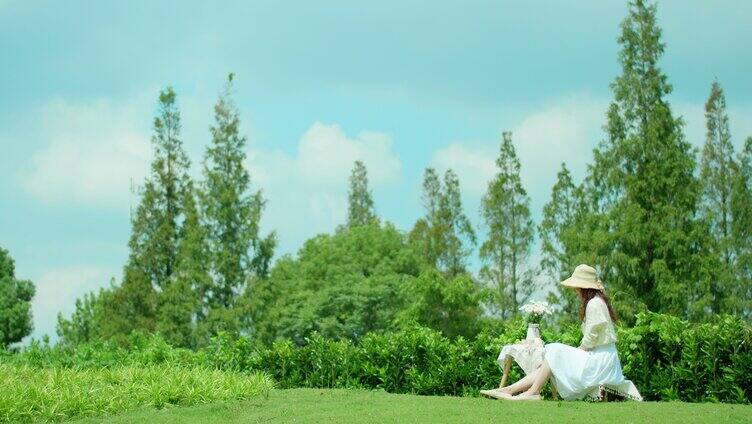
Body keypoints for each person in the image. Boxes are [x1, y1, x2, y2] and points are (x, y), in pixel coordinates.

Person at [494, 264, 642, 401]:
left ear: (584, 287)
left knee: (555, 350)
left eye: (577, 287)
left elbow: (592, 335)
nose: (575, 290)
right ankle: (509, 389)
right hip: (599, 357)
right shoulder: (596, 301)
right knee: (551, 359)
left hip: (601, 361)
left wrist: (580, 350)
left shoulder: (594, 303)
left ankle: (530, 392)